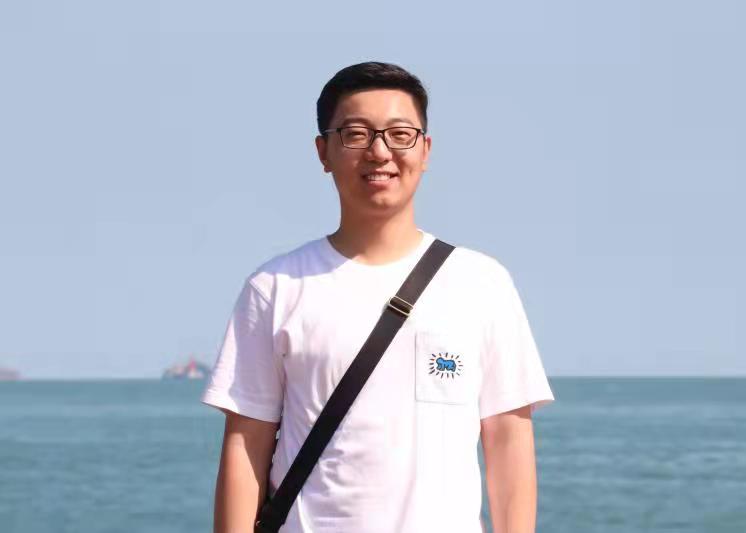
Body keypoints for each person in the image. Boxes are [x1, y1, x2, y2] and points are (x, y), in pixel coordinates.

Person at [202, 61, 554, 533]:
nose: (380, 151)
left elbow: (508, 439)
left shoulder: (481, 283)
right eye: (356, 134)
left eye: (400, 134)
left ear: (425, 150)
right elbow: (246, 444)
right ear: (323, 152)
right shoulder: (275, 287)